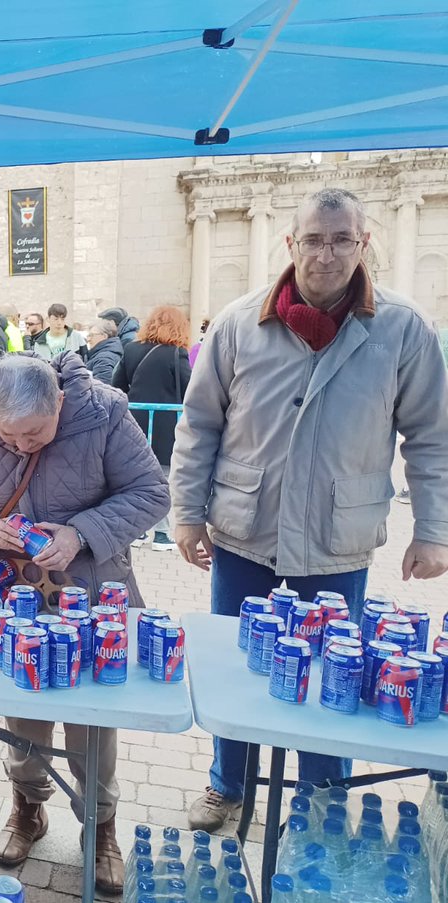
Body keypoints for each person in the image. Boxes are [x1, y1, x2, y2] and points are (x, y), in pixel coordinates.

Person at [171, 187, 448, 832]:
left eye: (341, 239)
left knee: (334, 671)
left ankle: (320, 797)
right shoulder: (241, 323)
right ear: (290, 244)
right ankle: (227, 784)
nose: (326, 254)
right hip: (246, 530)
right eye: (313, 240)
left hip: (336, 536)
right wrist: (186, 513)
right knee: (242, 667)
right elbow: (199, 423)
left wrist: (433, 530)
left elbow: (431, 438)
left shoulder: (402, 329)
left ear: (363, 244)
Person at [0, 354, 168, 893]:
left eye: (32, 435)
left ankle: (101, 824)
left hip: (88, 596)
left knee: (91, 717)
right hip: (3, 595)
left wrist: (80, 533)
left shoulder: (103, 413)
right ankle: (27, 807)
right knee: (20, 707)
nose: (19, 446)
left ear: (58, 401)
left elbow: (151, 493)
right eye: (7, 436)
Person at [112, 305, 192, 551]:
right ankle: (160, 534)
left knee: (136, 479)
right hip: (165, 427)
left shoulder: (132, 349)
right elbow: (190, 388)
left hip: (134, 423)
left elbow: (117, 384)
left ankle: (138, 531)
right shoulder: (175, 353)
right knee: (161, 480)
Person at [84, 319, 123, 384]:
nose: (88, 339)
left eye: (92, 335)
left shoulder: (104, 359)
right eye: (88, 335)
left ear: (104, 336)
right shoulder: (105, 353)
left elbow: (102, 389)